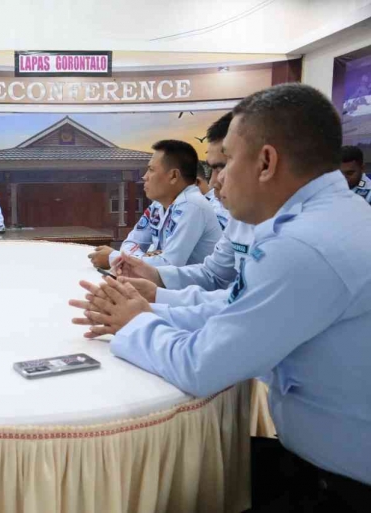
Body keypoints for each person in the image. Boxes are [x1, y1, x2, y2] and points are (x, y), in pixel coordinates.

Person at [71, 84, 371, 512]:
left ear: (266, 162)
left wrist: (135, 323)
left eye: (225, 162)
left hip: (342, 485)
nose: (214, 183)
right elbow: (236, 302)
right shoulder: (325, 218)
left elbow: (201, 366)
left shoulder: (305, 244)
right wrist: (153, 305)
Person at [115, 112, 255, 308]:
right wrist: (152, 277)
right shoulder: (241, 219)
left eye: (221, 167)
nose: (214, 181)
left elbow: (243, 309)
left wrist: (117, 259)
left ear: (266, 162)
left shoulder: (193, 205)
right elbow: (214, 276)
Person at [88, 140, 222, 269]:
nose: (144, 177)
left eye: (151, 169)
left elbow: (168, 265)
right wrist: (146, 258)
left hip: (197, 290)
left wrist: (114, 258)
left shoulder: (192, 205)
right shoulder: (157, 205)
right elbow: (131, 243)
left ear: (174, 176)